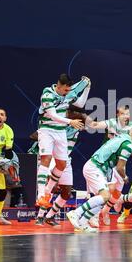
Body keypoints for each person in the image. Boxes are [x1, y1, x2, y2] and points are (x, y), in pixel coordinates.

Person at [66, 125, 132, 233]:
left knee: (102, 200)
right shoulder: (127, 145)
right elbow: (119, 167)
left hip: (97, 168)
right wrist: (124, 177)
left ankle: (82, 222)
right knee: (105, 196)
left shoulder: (125, 139)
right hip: (95, 167)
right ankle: (76, 213)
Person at [35, 74, 90, 208]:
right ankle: (41, 195)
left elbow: (80, 103)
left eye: (69, 90)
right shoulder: (47, 93)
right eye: (65, 90)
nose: (67, 93)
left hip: (60, 132)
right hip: (47, 129)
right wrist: (70, 121)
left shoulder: (68, 92)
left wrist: (87, 87)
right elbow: (53, 115)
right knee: (46, 159)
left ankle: (48, 191)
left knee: (62, 165)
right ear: (58, 86)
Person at [35, 106, 91, 226]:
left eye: (79, 113)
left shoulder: (79, 125)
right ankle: (39, 216)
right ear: (68, 112)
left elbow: (92, 124)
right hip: (54, 159)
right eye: (74, 111)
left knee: (67, 192)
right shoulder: (57, 123)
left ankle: (49, 216)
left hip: (66, 160)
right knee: (50, 187)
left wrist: (82, 115)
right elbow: (35, 135)